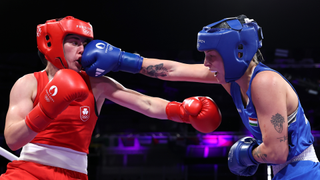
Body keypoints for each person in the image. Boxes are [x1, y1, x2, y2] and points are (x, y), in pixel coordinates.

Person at [81, 14, 320, 179]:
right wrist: (123, 60)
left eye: (210, 56)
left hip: (301, 171)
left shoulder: (264, 82)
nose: (205, 63)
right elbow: (173, 71)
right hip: (287, 172)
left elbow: (277, 152)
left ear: (235, 54)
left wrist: (247, 154)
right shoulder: (232, 79)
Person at [0, 16, 222, 180]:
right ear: (52, 43)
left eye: (84, 44)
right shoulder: (28, 83)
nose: (82, 50)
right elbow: (13, 139)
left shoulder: (96, 84)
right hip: (26, 172)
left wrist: (183, 112)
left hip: (75, 175)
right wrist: (48, 107)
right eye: (74, 42)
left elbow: (146, 103)